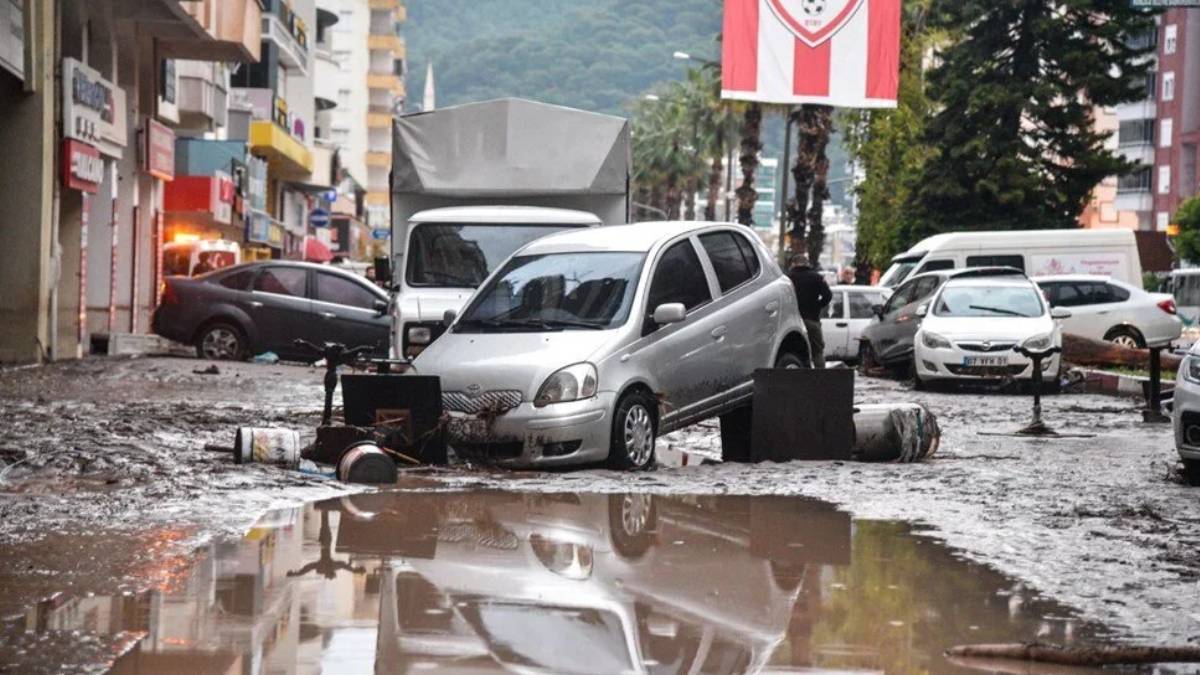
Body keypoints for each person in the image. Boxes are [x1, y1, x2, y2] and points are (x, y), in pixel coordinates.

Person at [787, 251, 832, 368]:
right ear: (807, 263)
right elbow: (828, 295)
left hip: (791, 321)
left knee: (793, 351)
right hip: (812, 319)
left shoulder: (787, 278)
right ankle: (820, 379)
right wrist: (817, 306)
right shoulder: (817, 277)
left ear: (793, 264)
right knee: (817, 351)